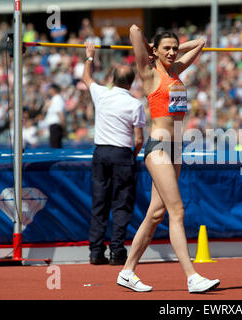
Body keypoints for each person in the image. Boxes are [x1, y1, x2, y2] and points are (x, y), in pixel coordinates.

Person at [116, 25, 220, 293]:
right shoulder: (149, 74)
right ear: (155, 51)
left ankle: (127, 271)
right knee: (177, 210)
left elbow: (200, 42)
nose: (173, 52)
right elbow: (135, 30)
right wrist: (151, 49)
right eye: (168, 48)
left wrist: (174, 51)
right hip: (159, 148)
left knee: (155, 214)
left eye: (175, 48)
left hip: (176, 150)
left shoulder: (176, 71)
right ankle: (192, 276)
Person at [82, 42, 146, 265]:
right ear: (131, 83)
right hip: (122, 155)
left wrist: (90, 56)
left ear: (111, 80)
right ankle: (117, 252)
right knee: (121, 204)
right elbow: (139, 139)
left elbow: (86, 78)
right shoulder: (135, 104)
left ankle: (95, 252)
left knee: (100, 202)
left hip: (101, 153)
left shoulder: (102, 94)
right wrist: (132, 155)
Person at [42, 84, 65, 148]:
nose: (48, 90)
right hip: (54, 127)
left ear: (53, 90)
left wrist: (63, 127)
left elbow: (60, 113)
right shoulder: (53, 99)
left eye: (50, 89)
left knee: (55, 147)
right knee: (54, 145)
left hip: (56, 126)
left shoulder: (57, 99)